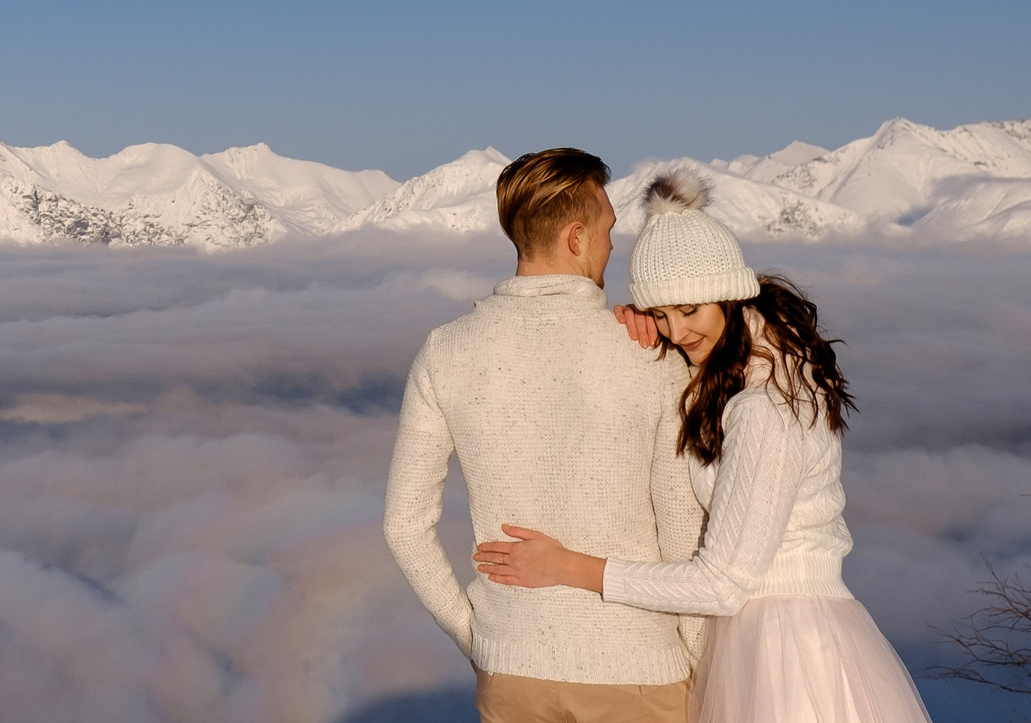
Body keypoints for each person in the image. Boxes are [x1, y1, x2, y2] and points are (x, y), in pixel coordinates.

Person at [471, 172, 929, 723]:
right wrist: (639, 324)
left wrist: (566, 566)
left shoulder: (764, 409)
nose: (677, 331)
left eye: (689, 310)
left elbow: (721, 583)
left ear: (729, 294)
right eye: (662, 314)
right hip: (770, 637)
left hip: (786, 653)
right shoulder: (750, 373)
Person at [385, 148, 705, 723]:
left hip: (513, 678)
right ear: (576, 238)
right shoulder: (649, 355)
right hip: (640, 674)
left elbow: (403, 527)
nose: (613, 244)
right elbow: (682, 528)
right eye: (608, 229)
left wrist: (480, 640)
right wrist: (701, 661)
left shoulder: (446, 350)